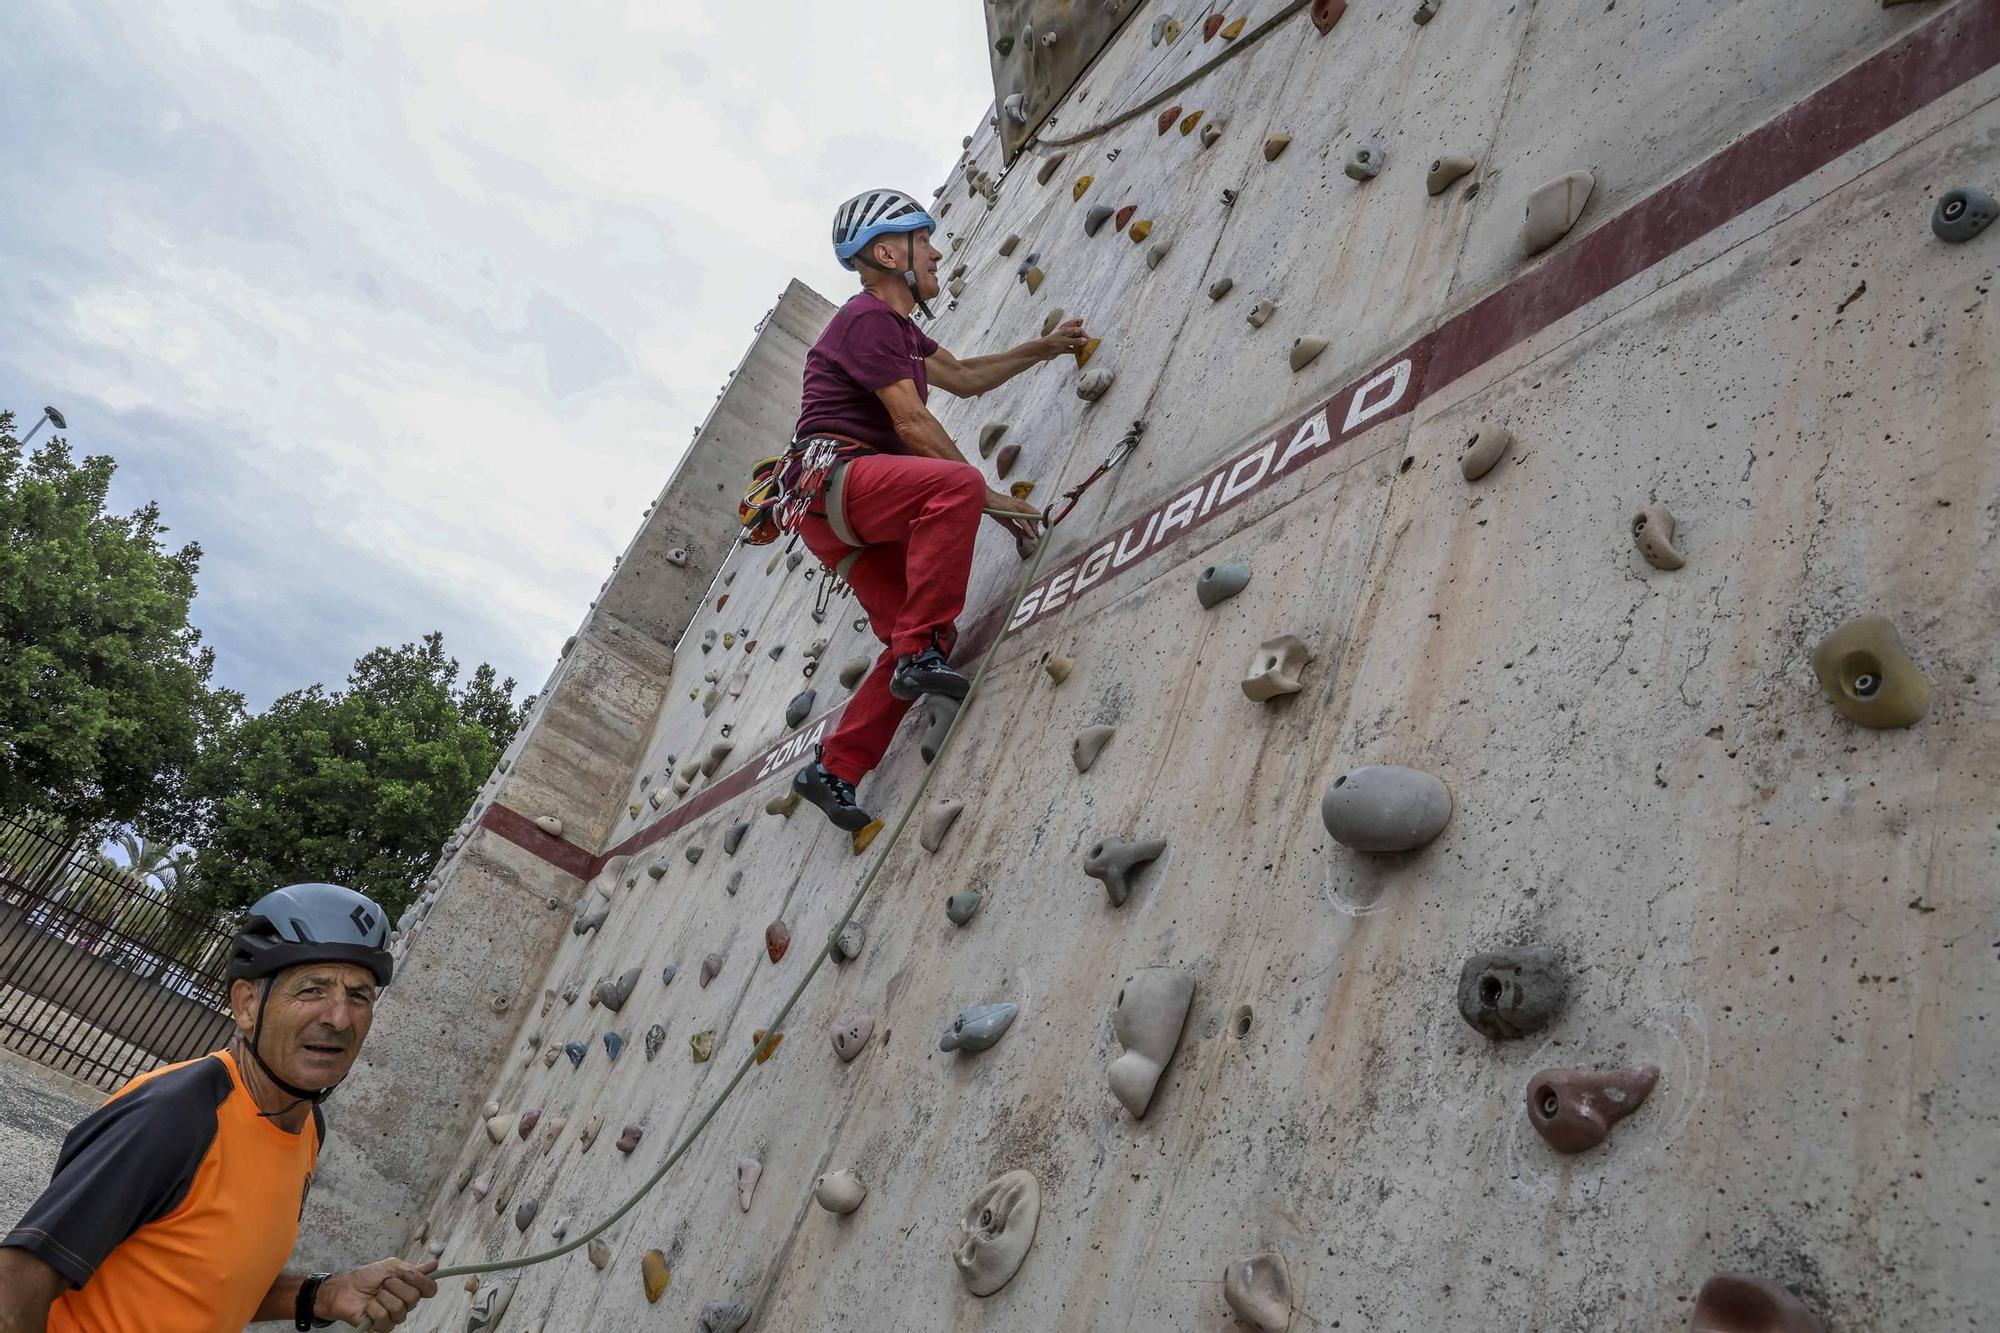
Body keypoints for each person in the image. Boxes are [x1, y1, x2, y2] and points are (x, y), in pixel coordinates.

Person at [0, 883, 439, 1333]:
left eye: (359, 996)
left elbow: (204, 1284)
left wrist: (325, 1293)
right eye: (312, 990)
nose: (338, 1018)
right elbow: (17, 1282)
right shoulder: (175, 1115)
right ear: (247, 1005)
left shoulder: (307, 1126)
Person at [786, 186, 1090, 832]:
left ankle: (835, 767)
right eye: (925, 240)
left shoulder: (898, 330)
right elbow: (915, 424)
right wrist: (994, 500)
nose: (937, 252)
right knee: (956, 486)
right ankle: (921, 653)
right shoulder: (866, 318)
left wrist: (1047, 346)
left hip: (835, 516)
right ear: (888, 252)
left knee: (921, 633)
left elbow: (967, 374)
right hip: (840, 480)